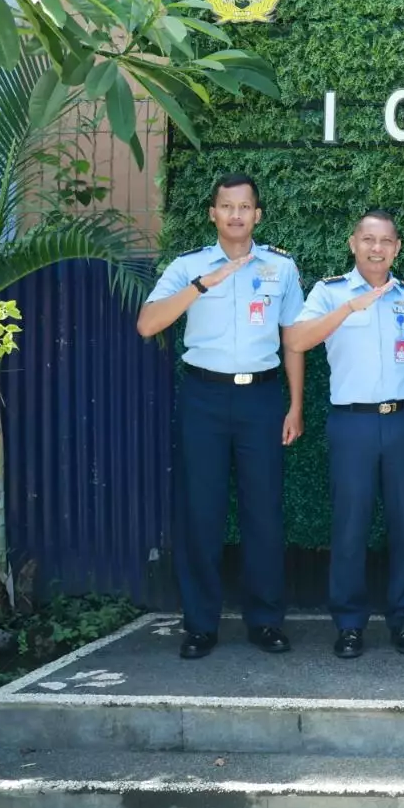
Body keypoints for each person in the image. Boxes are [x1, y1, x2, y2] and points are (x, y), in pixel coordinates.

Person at [137, 174, 304, 660]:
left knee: (264, 514)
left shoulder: (280, 268)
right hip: (204, 398)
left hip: (262, 399)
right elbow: (148, 323)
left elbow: (293, 339)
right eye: (226, 206)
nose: (235, 215)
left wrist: (295, 404)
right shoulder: (189, 266)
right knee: (201, 513)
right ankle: (200, 625)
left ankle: (266, 621)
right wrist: (200, 285)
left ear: (258, 215)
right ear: (212, 213)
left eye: (245, 207)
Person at [284, 210, 404, 659]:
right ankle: (349, 624)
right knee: (350, 525)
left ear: (397, 248)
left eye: (385, 241)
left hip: (403, 420)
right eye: (368, 239)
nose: (376, 248)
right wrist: (349, 307)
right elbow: (297, 340)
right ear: (353, 244)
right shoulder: (329, 292)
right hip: (351, 422)